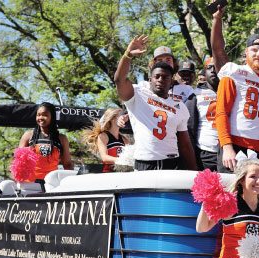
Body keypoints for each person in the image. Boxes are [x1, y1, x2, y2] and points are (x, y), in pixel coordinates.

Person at [211, 3, 259, 194]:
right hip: (236, 145)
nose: (258, 54)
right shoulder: (235, 72)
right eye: (254, 50)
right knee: (230, 198)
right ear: (246, 52)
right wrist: (227, 146)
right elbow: (222, 111)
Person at [113, 34, 198, 171]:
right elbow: (119, 80)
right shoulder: (138, 93)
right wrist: (127, 55)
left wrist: (195, 172)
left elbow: (185, 145)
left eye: (165, 77)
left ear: (171, 81)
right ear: (150, 79)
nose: (160, 80)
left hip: (172, 163)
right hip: (144, 162)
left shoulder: (180, 106)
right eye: (156, 76)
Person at [18, 102, 73, 180]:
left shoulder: (62, 138)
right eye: (38, 115)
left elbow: (67, 164)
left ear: (52, 117)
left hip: (52, 184)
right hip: (29, 185)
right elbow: (18, 162)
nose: (40, 117)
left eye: (45, 115)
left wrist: (70, 182)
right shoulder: (28, 135)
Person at [186, 58, 220, 171]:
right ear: (205, 72)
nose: (213, 70)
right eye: (209, 68)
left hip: (228, 151)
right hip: (205, 152)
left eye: (216, 67)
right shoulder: (196, 94)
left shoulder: (233, 91)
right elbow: (189, 128)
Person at [80, 107, 128, 172]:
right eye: (120, 116)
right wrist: (122, 160)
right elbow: (104, 157)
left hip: (122, 172)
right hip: (108, 173)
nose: (123, 118)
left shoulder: (124, 139)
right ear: (112, 118)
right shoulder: (103, 136)